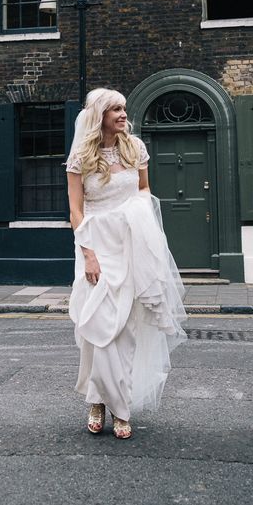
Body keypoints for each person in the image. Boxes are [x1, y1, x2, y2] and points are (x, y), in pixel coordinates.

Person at [66, 88, 186, 439]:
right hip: (96, 246)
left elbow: (143, 191)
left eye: (123, 108)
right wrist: (88, 253)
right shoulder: (80, 157)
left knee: (126, 329)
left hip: (132, 242)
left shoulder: (135, 149)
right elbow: (75, 210)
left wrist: (144, 228)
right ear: (99, 116)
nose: (123, 114)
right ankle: (98, 401)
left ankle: (118, 407)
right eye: (115, 109)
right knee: (99, 328)